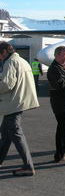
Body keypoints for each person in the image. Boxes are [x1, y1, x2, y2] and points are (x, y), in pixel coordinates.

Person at [0, 41, 39, 176]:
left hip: (13, 103)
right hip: (19, 101)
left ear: (4, 52)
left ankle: (28, 166)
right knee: (5, 133)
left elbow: (6, 84)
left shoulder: (10, 62)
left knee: (16, 134)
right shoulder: (22, 60)